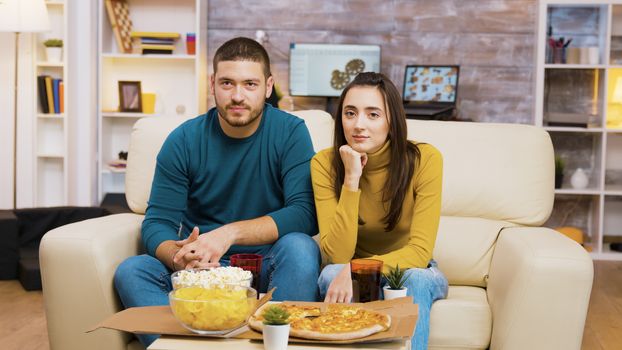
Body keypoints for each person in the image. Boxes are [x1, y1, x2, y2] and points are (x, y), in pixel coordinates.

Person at [114, 37, 321, 346]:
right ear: (212, 84)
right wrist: (179, 257)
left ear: (268, 87)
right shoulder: (184, 140)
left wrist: (228, 234)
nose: (237, 96)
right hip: (203, 272)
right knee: (132, 270)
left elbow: (305, 214)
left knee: (301, 248)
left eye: (250, 84)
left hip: (270, 263)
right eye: (227, 83)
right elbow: (157, 221)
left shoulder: (290, 132)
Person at [312, 72, 448, 350]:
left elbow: (420, 253)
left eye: (373, 114)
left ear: (392, 121)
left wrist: (354, 268)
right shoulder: (324, 164)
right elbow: (337, 255)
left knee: (416, 278)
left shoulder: (425, 160)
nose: (358, 125)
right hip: (353, 270)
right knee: (329, 274)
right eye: (350, 113)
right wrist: (352, 179)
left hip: (410, 268)